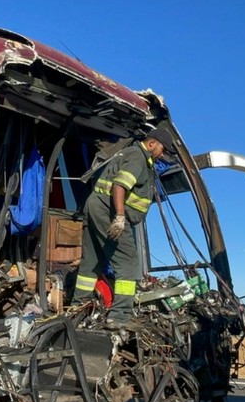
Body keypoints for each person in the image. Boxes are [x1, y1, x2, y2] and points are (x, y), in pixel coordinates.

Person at [74, 127, 175, 325]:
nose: (162, 154)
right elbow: (120, 185)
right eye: (162, 149)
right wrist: (120, 217)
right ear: (152, 143)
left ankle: (79, 307)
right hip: (109, 211)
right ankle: (120, 316)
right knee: (128, 263)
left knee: (92, 262)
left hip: (95, 207)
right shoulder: (137, 156)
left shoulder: (137, 158)